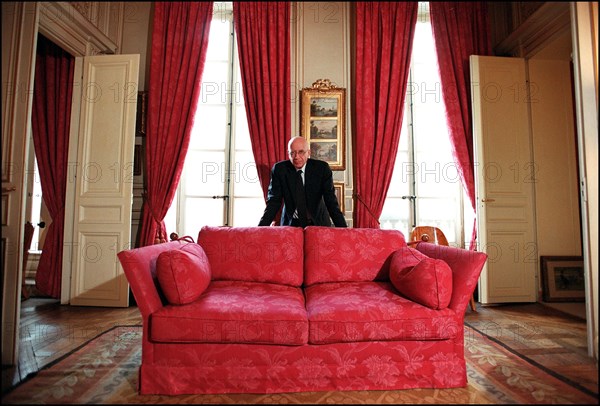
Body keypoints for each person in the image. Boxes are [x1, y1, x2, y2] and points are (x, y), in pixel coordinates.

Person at [258, 136, 347, 227]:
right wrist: (261, 228)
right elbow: (274, 201)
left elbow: (331, 201)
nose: (296, 157)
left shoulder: (322, 169)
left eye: (301, 152)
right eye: (292, 153)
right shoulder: (279, 170)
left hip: (318, 223)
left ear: (308, 153)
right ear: (288, 153)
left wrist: (344, 230)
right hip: (291, 224)